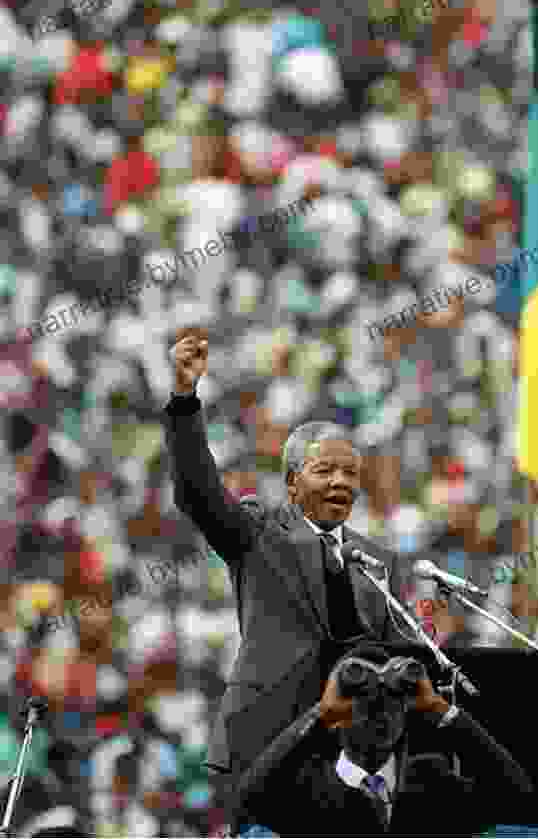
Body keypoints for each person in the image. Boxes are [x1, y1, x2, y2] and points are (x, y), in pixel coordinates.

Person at [163, 329, 406, 829]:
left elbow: (394, 651)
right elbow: (197, 490)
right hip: (265, 746)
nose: (341, 482)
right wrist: (184, 399)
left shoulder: (377, 560)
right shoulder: (257, 534)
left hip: (348, 758)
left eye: (350, 473)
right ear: (292, 482)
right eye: (325, 470)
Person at [236, 640, 535, 836]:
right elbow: (251, 796)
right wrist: (319, 714)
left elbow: (514, 794)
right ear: (336, 713)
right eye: (364, 699)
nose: (381, 709)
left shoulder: (433, 781)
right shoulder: (307, 788)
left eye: (393, 697)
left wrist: (441, 710)